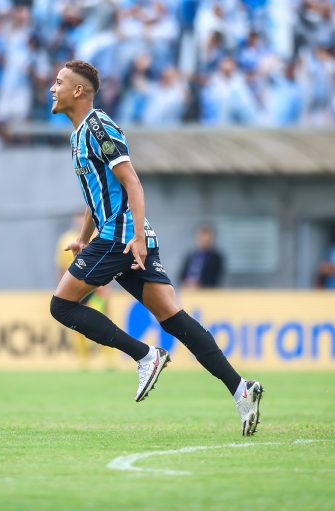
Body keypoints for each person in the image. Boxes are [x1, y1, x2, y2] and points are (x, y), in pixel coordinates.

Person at [48, 60, 263, 436]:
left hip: (121, 233)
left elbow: (132, 184)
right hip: (123, 232)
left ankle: (145, 355)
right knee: (173, 317)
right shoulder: (78, 135)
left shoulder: (99, 126)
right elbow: (96, 195)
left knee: (61, 304)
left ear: (78, 91)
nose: (53, 88)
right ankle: (240, 388)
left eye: (59, 82)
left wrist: (134, 238)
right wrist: (84, 235)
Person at [55, 210, 116, 369]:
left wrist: (107, 286)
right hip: (75, 288)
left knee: (100, 320)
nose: (80, 220)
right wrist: (61, 289)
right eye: (78, 217)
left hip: (96, 288)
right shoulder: (65, 240)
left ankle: (109, 360)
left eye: (83, 216)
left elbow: (107, 263)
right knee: (78, 324)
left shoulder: (98, 236)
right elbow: (61, 267)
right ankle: (84, 360)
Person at [179, 223, 224, 288]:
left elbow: (214, 279)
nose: (203, 240)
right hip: (187, 289)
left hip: (205, 292)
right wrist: (187, 282)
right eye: (201, 238)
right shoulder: (190, 256)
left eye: (206, 239)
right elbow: (181, 275)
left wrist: (198, 284)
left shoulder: (215, 258)